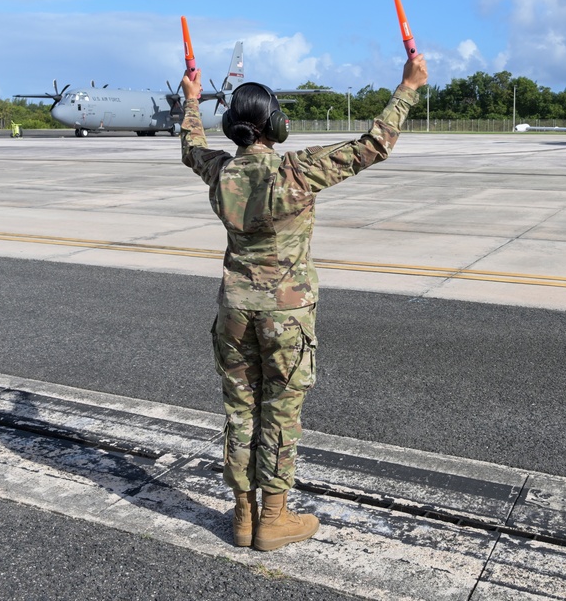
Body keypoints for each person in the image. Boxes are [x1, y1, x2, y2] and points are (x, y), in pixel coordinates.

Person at [180, 55, 427, 552]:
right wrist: (407, 88)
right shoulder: (297, 169)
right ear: (274, 124)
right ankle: (273, 518)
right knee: (281, 414)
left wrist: (190, 100)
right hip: (286, 316)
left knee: (240, 412)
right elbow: (373, 145)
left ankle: (243, 516)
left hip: (234, 311)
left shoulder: (222, 172)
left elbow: (191, 148)